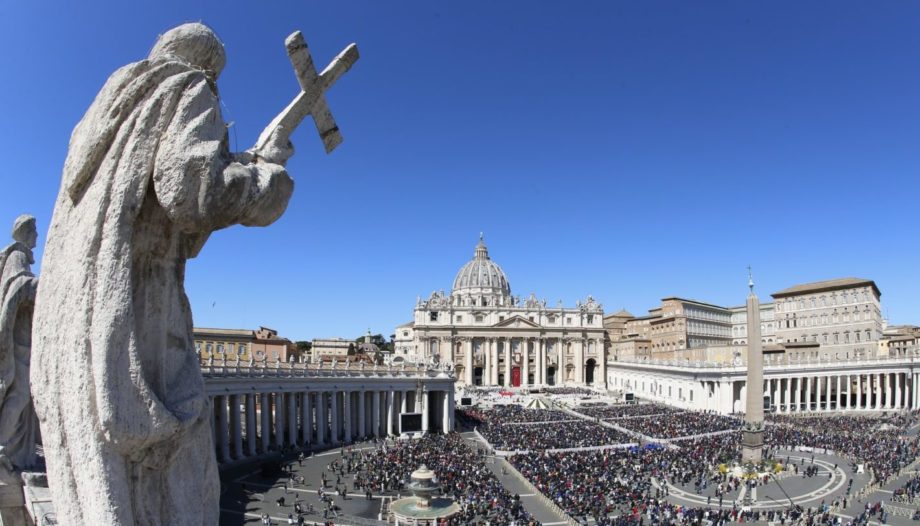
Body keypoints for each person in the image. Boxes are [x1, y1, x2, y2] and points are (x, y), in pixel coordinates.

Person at [31, 22, 295, 525]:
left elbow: (170, 219)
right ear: (209, 69)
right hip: (139, 311)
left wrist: (241, 159)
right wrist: (267, 179)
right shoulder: (185, 86)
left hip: (71, 320)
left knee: (99, 479)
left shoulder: (100, 119)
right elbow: (193, 193)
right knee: (181, 477)